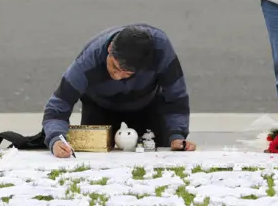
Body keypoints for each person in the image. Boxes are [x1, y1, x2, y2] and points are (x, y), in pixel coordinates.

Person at [42, 24, 196, 158]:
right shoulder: (87, 61)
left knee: (159, 151)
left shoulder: (161, 49)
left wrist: (177, 134)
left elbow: (176, 97)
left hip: (146, 105)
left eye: (127, 74)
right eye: (115, 67)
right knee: (93, 156)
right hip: (100, 106)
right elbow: (58, 106)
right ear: (109, 49)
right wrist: (56, 139)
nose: (118, 76)